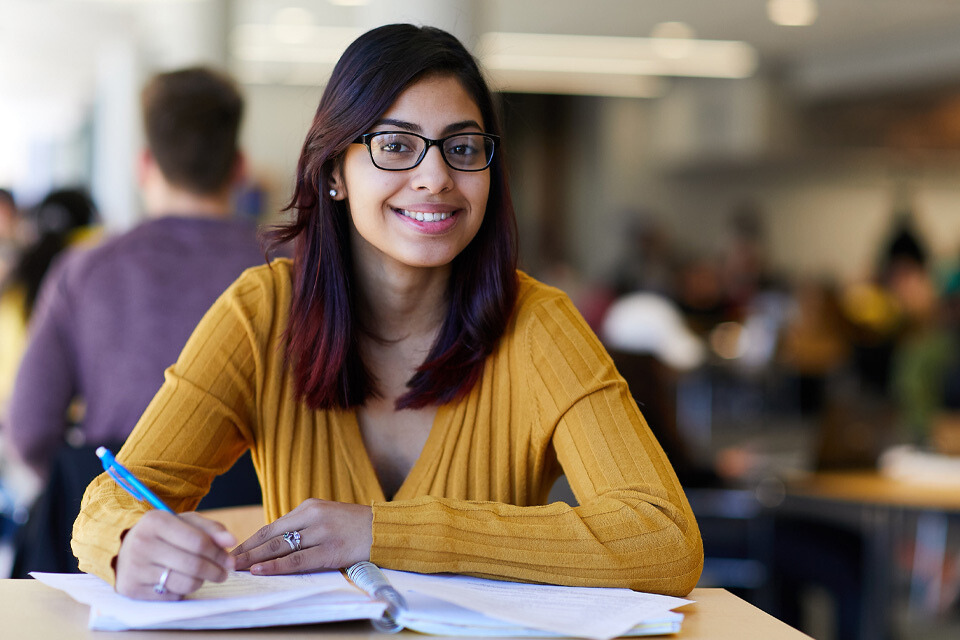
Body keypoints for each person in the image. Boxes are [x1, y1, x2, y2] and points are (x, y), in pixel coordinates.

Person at [72, 24, 703, 601]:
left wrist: (380, 532)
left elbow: (664, 539)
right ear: (335, 173)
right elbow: (110, 501)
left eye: (462, 147)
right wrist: (130, 542)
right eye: (395, 145)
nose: (435, 177)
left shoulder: (539, 325)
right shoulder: (260, 314)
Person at [4, 67, 266, 574]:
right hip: (268, 537)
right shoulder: (295, 265)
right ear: (239, 166)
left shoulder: (86, 269)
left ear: (143, 164)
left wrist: (85, 489)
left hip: (121, 544)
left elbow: (30, 429)